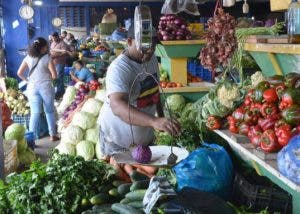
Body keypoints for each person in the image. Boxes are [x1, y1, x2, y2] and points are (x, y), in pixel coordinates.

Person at [98, 25, 181, 179]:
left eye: (153, 46)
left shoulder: (150, 59)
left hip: (143, 140)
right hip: (117, 140)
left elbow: (153, 91)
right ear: (129, 41)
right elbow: (117, 106)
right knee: (120, 185)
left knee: (143, 182)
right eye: (144, 46)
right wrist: (154, 121)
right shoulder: (119, 68)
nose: (149, 50)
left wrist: (162, 119)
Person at [17, 37, 59, 141]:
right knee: (49, 111)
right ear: (43, 47)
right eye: (46, 46)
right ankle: (53, 135)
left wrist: (27, 81)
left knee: (35, 113)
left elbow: (19, 73)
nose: (47, 48)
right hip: (46, 88)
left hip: (32, 88)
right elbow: (54, 75)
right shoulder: (47, 58)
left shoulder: (28, 57)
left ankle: (31, 138)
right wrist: (52, 80)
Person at [50, 32, 67, 99]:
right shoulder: (52, 43)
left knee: (59, 77)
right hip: (53, 62)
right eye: (52, 37)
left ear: (57, 37)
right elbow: (51, 51)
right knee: (54, 77)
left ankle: (60, 92)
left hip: (60, 62)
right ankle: (57, 90)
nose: (53, 39)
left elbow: (64, 52)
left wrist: (56, 56)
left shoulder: (62, 43)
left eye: (54, 37)